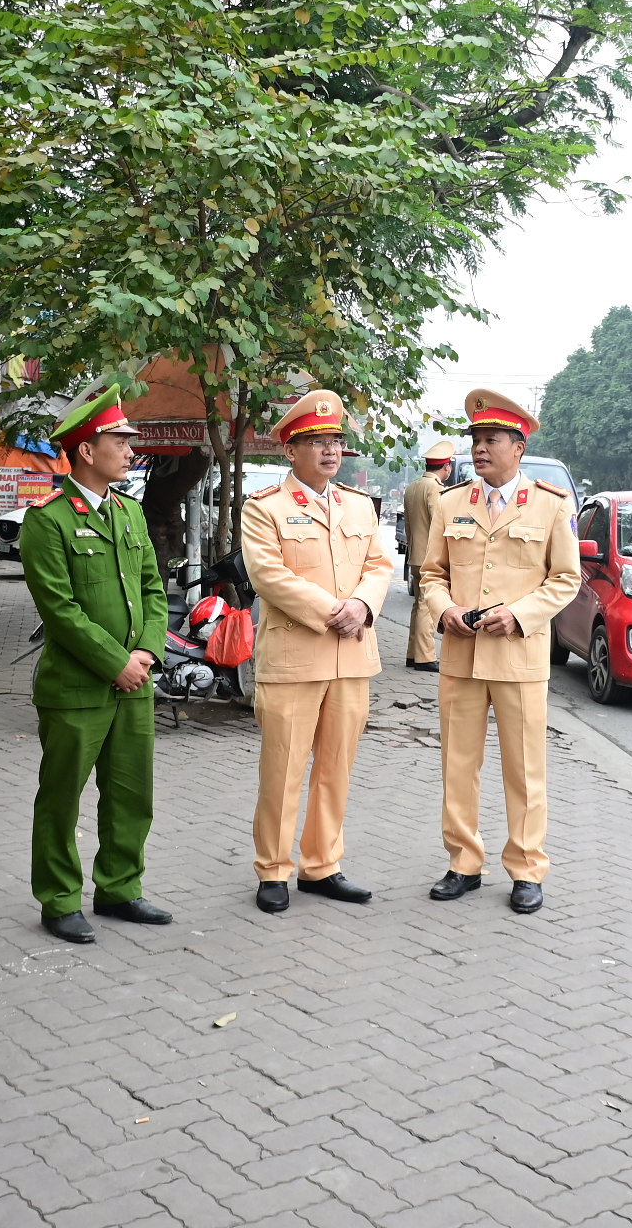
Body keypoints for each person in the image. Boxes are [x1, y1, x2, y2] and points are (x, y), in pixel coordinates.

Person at [416, 389, 581, 914]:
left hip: (519, 656)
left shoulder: (552, 504)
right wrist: (444, 609)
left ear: (518, 446)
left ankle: (527, 868)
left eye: (491, 439)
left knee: (525, 769)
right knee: (457, 765)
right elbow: (431, 574)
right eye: (476, 440)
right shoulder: (451, 503)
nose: (480, 449)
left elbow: (566, 579)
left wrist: (520, 614)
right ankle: (463, 863)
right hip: (462, 656)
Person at [21, 386, 171, 943]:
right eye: (120, 441)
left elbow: (153, 588)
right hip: (78, 687)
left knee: (132, 793)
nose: (131, 451)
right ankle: (59, 899)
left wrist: (146, 652)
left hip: (135, 683)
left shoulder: (129, 512)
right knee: (62, 797)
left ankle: (120, 888)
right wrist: (115, 663)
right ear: (86, 450)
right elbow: (59, 609)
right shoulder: (49, 520)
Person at [240, 389, 394, 913]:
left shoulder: (359, 505)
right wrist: (336, 610)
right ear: (290, 450)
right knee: (282, 771)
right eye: (316, 441)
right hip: (294, 658)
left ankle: (322, 865)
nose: (330, 450)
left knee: (335, 769)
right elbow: (268, 576)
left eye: (335, 440)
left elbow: (379, 566)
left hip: (351, 658)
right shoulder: (266, 508)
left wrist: (364, 605)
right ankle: (273, 869)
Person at [403, 439, 458, 671]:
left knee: (419, 605)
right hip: (429, 557)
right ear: (446, 467)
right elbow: (439, 525)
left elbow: (409, 525)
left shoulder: (413, 487)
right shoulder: (435, 489)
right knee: (427, 606)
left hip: (415, 554)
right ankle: (424, 657)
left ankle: (412, 653)